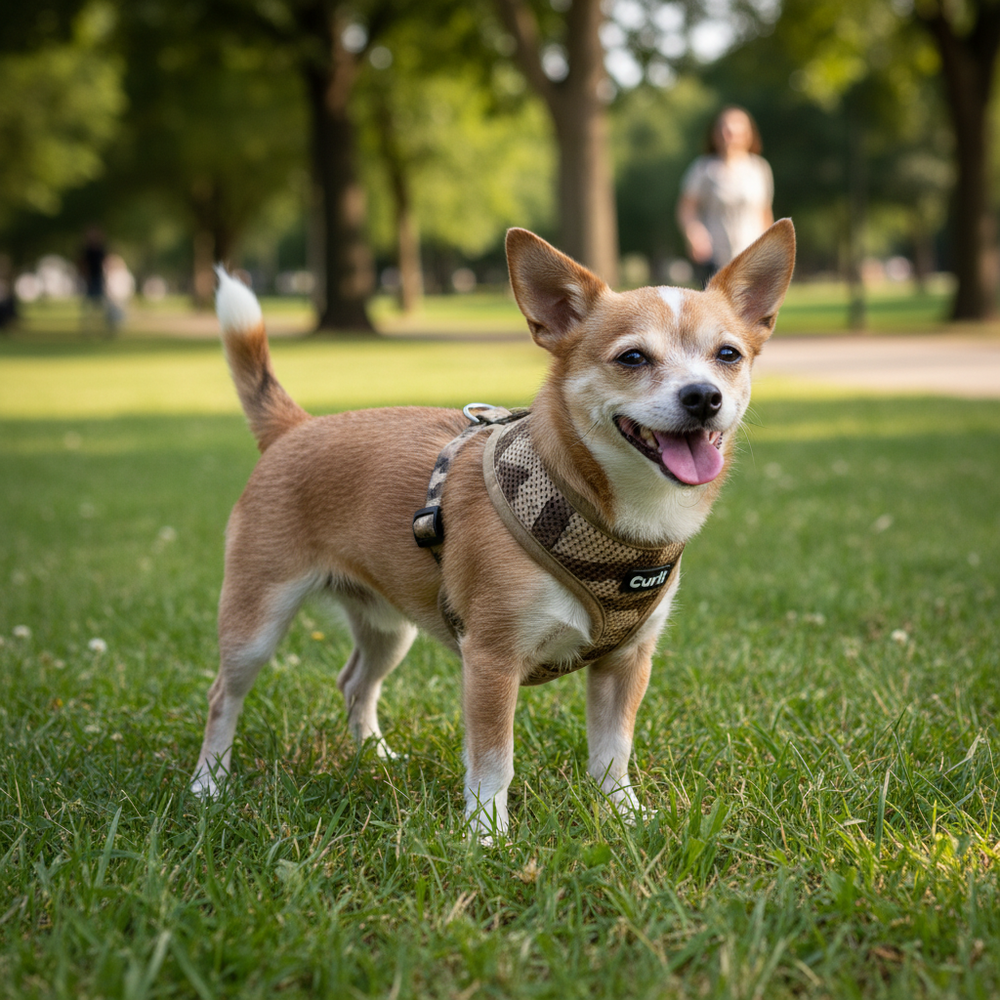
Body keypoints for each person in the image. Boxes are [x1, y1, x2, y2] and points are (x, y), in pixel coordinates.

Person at [676, 106, 774, 285]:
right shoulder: (703, 169)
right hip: (715, 256)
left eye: (736, 129)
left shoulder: (760, 169)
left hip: (750, 253)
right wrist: (695, 236)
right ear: (716, 134)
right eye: (724, 129)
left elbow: (765, 213)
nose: (729, 133)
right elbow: (686, 210)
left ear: (748, 134)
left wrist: (769, 249)